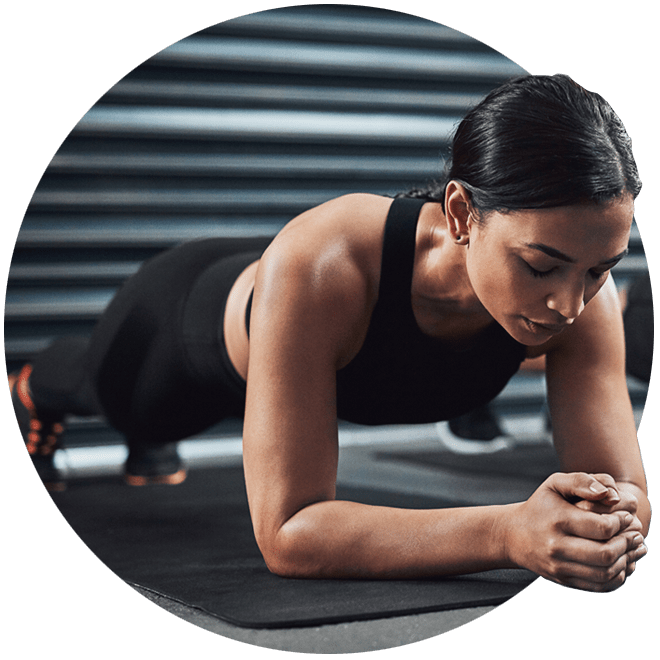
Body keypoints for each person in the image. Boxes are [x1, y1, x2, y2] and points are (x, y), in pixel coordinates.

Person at [9, 74, 650, 592]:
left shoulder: (578, 300)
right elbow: (289, 534)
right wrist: (509, 533)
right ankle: (38, 386)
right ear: (462, 213)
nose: (569, 303)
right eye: (540, 266)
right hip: (184, 323)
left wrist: (601, 525)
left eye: (600, 270)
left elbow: (631, 497)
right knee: (126, 407)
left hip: (309, 317)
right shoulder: (326, 261)